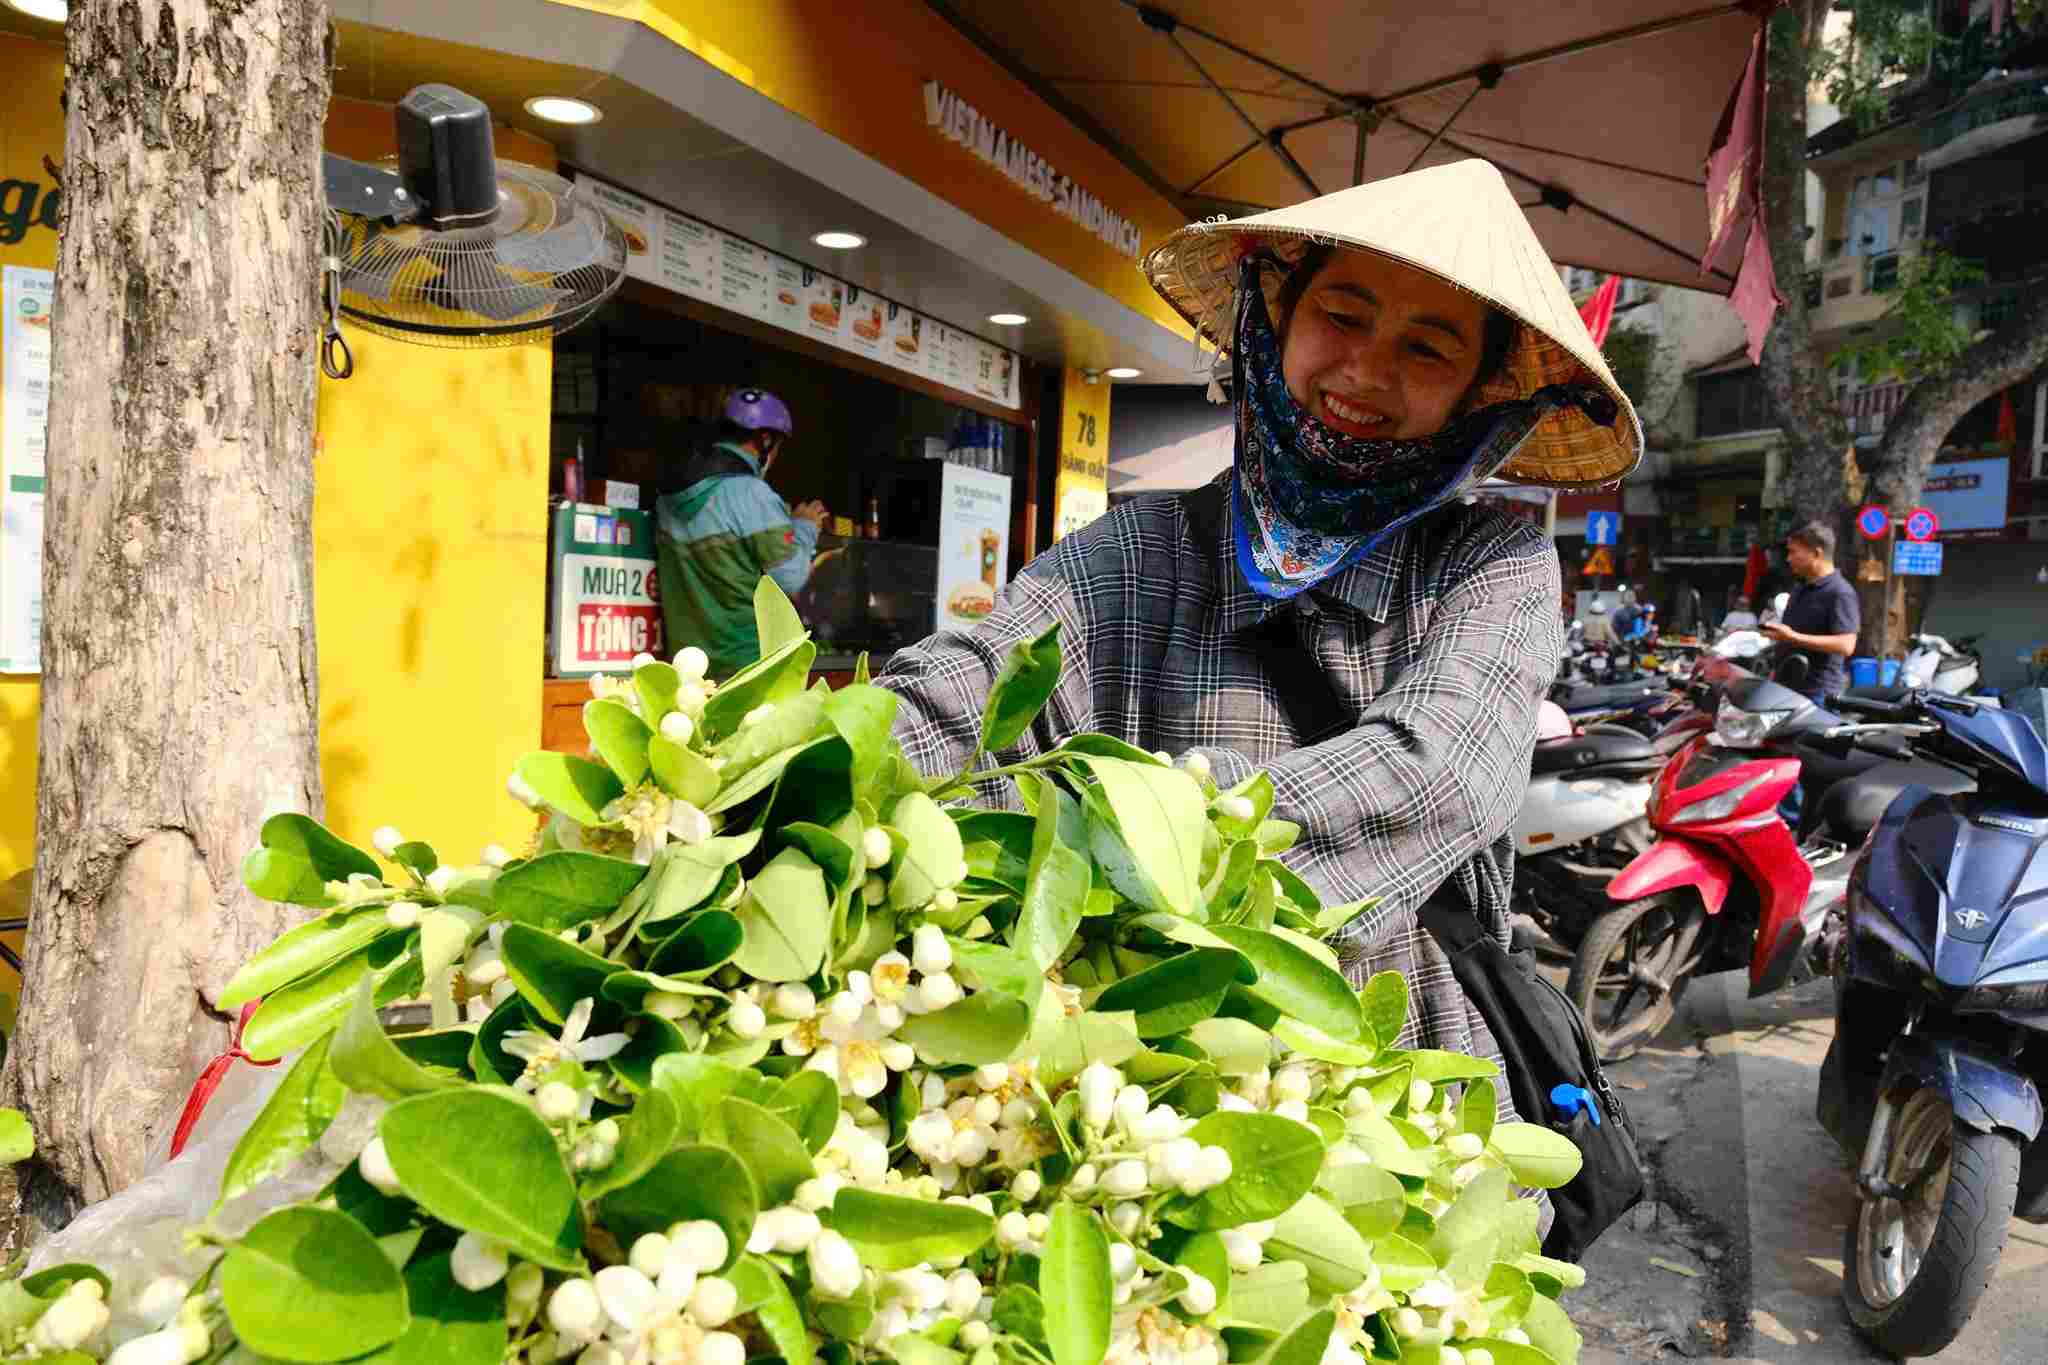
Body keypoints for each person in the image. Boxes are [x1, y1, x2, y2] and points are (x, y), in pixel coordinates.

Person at [877, 159, 1640, 1075]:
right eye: (1342, 315)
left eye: (1428, 349)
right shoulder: (1138, 547)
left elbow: (1436, 774)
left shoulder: (1491, 565)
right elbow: (969, 688)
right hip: (1127, 1074)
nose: (1365, 369)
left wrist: (1110, 836)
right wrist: (827, 762)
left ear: (1478, 392)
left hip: (1392, 1080)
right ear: (1279, 314)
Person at [655, 389, 830, 676]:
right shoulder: (751, 493)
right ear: (765, 439)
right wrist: (805, 527)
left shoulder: (669, 498)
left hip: (690, 668)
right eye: (778, 447)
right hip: (747, 666)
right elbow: (791, 579)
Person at [1764, 521, 1860, 703]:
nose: (1788, 558)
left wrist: (1793, 637)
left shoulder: (1840, 592)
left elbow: (1846, 645)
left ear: (1816, 553)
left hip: (1817, 694)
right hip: (1786, 688)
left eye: (1793, 552)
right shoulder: (1800, 588)